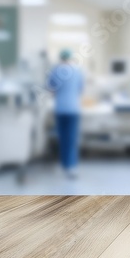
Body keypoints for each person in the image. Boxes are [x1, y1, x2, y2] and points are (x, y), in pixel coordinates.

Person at [47, 49, 84, 179]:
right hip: (73, 108)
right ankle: (71, 167)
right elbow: (80, 89)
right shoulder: (78, 71)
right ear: (71, 58)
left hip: (60, 109)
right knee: (72, 138)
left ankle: (64, 165)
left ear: (60, 58)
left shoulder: (55, 71)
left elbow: (51, 88)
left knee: (62, 137)